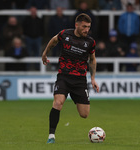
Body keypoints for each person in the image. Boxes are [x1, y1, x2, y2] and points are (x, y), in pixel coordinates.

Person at [42, 13, 99, 144]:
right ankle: (51, 136)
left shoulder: (90, 42)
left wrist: (93, 79)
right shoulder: (65, 34)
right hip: (64, 76)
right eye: (84, 27)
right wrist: (45, 54)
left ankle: (74, 96)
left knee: (84, 114)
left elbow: (92, 60)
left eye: (88, 27)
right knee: (58, 103)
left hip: (80, 81)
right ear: (77, 25)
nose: (86, 30)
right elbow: (53, 40)